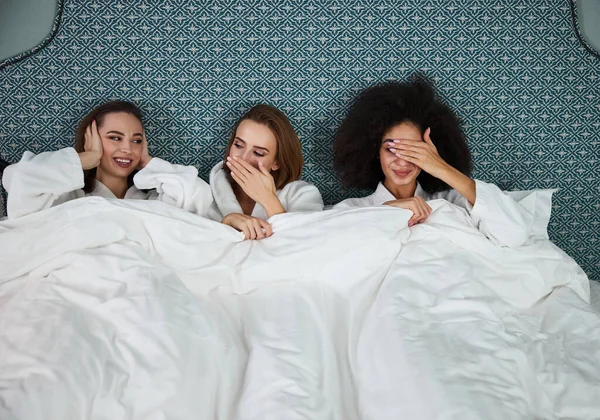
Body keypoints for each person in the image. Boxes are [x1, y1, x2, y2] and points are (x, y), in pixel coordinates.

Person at [333, 75, 531, 247]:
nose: (403, 162)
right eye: (392, 149)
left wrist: (442, 167)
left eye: (415, 151)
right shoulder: (351, 210)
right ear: (375, 150)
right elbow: (333, 249)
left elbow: (514, 234)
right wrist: (388, 211)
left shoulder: (454, 203)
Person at [2, 100, 212, 218]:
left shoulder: (154, 201)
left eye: (136, 141)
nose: (127, 149)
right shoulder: (66, 198)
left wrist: (148, 163)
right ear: (90, 139)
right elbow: (21, 177)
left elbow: (198, 196)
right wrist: (87, 157)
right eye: (115, 138)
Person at [208, 104, 323, 239]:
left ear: (277, 162)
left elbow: (309, 244)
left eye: (258, 153)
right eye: (238, 145)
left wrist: (268, 199)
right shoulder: (206, 195)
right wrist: (227, 222)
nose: (243, 158)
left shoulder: (302, 195)